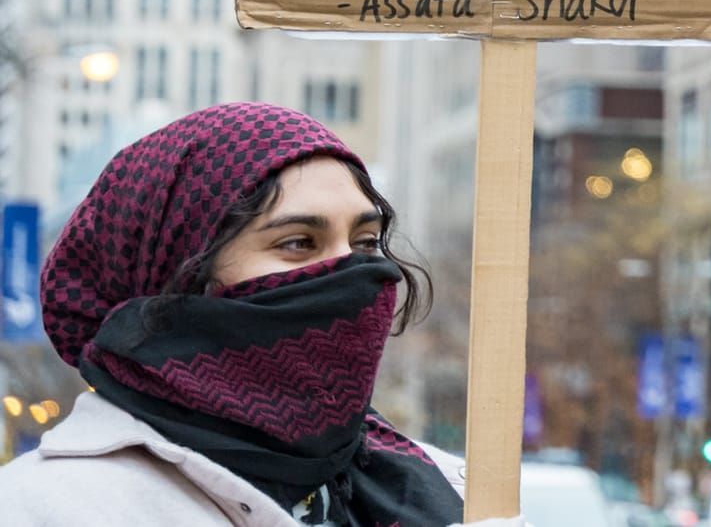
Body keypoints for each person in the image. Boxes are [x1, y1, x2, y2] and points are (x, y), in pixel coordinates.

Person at [0, 102, 514, 526]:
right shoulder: (47, 509)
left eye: (363, 242)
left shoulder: (453, 494)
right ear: (175, 275)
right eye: (298, 242)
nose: (350, 275)